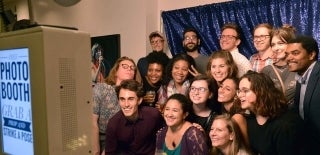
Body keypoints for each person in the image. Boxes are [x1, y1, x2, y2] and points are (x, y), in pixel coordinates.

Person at [237, 71, 303, 155]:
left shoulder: (285, 125)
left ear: (260, 91)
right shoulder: (250, 120)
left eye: (245, 91)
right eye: (239, 91)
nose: (239, 95)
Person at [92, 56, 141, 155]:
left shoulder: (136, 95)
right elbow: (92, 121)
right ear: (116, 71)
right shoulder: (102, 89)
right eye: (125, 66)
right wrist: (96, 150)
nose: (129, 69)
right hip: (99, 139)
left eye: (132, 68)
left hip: (123, 142)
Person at [104, 79, 164, 155]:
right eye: (122, 99)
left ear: (139, 100)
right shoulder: (113, 124)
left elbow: (165, 138)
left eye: (131, 99)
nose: (126, 104)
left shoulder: (153, 115)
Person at [286, 35, 320, 154]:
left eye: (295, 53)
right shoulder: (301, 75)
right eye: (287, 54)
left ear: (311, 55)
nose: (289, 58)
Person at [261, 25, 296, 106]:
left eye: (280, 43)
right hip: (276, 116)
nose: (276, 48)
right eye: (273, 45)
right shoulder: (267, 71)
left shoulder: (300, 69)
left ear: (291, 44)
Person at [186, 75, 219, 147]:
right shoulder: (182, 110)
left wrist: (204, 137)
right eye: (193, 88)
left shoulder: (215, 118)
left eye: (202, 89)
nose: (196, 92)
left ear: (210, 94)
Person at [218, 77, 249, 147]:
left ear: (236, 94)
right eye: (221, 86)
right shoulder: (222, 110)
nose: (221, 90)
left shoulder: (238, 117)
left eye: (227, 89)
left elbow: (246, 147)